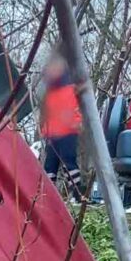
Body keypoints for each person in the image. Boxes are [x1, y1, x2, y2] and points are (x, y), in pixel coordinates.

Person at [40, 47, 83, 197]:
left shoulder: (69, 88)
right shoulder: (51, 91)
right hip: (53, 133)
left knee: (68, 164)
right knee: (50, 167)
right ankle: (47, 196)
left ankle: (77, 195)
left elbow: (74, 109)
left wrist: (75, 123)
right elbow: (48, 113)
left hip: (66, 131)